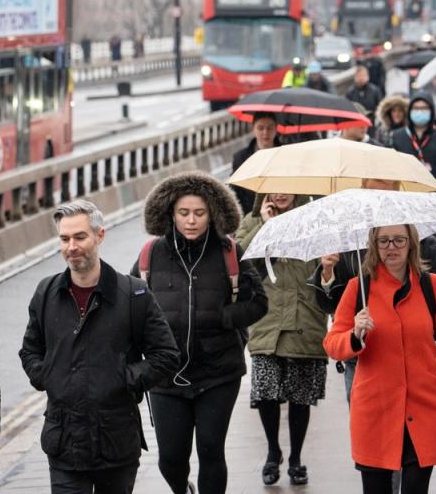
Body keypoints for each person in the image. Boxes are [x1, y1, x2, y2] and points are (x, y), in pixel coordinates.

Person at [21, 200, 179, 494]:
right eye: (64, 239)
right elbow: (30, 350)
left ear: (99, 235)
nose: (71, 247)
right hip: (64, 441)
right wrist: (47, 378)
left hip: (115, 440)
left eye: (80, 237)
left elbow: (166, 356)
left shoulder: (134, 294)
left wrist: (122, 378)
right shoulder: (46, 292)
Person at [130, 173, 268, 494]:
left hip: (219, 373)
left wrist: (223, 317)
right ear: (171, 214)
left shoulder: (230, 252)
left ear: (212, 214)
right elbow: (129, 304)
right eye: (184, 213)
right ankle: (182, 489)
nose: (191, 221)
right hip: (166, 377)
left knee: (210, 449)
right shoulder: (151, 255)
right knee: (170, 459)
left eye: (199, 213)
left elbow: (259, 302)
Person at [324, 223, 436, 494]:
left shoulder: (433, 286)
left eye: (398, 240)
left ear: (412, 244)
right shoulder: (358, 288)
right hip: (375, 411)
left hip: (423, 407)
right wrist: (355, 334)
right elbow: (333, 345)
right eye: (383, 241)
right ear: (373, 246)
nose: (391, 247)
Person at [312, 179, 436, 406]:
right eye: (373, 195)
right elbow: (329, 306)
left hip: (412, 355)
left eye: (386, 197)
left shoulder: (424, 243)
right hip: (363, 355)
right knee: (368, 427)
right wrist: (327, 273)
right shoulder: (348, 244)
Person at [235, 192, 325, 487]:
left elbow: (325, 273)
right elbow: (239, 262)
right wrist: (264, 225)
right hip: (266, 318)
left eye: (287, 187)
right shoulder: (251, 221)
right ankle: (273, 451)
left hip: (304, 317)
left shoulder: (315, 221)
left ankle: (297, 457)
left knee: (300, 396)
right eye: (275, 188)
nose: (281, 194)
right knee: (265, 391)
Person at [391, 92, 436, 208]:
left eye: (424, 108)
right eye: (416, 108)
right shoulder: (396, 137)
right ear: (410, 111)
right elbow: (389, 164)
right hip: (404, 196)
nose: (419, 111)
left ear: (431, 111)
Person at [231, 112, 281, 215]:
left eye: (270, 128)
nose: (265, 133)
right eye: (260, 128)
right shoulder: (240, 158)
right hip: (251, 214)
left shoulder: (285, 154)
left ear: (276, 129)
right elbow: (236, 191)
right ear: (253, 129)